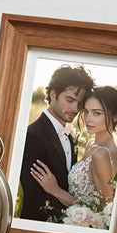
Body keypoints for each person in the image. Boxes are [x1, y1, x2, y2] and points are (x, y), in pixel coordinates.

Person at [28, 85, 117, 215]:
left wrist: (55, 190)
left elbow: (102, 210)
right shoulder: (91, 144)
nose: (88, 119)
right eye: (86, 111)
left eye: (96, 113)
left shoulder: (101, 154)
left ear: (115, 117)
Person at [17, 65, 94, 220]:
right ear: (53, 94)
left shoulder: (70, 136)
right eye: (70, 100)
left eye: (80, 103)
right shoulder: (32, 136)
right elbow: (34, 196)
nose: (75, 109)